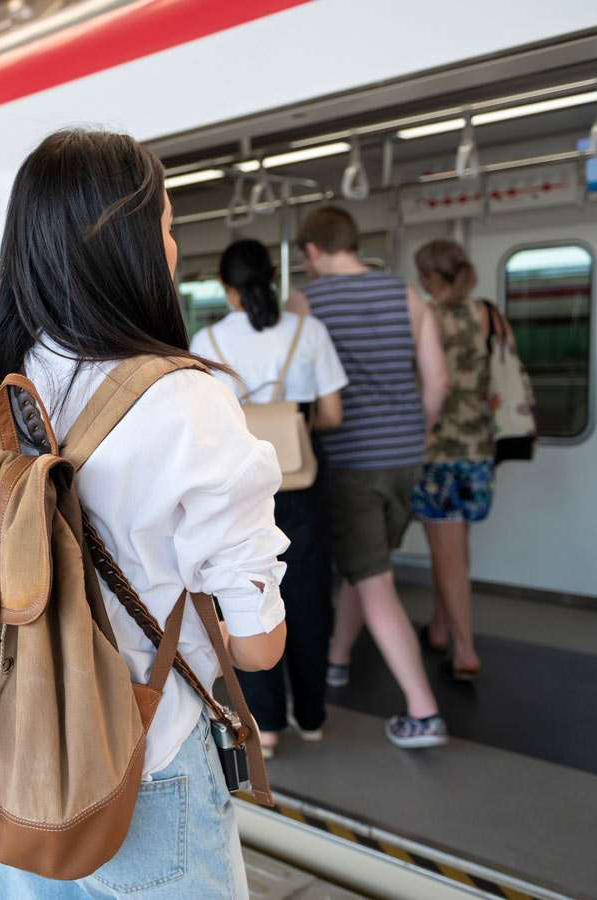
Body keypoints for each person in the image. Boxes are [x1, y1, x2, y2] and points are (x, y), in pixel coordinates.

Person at [0, 130, 288, 899]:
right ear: (130, 244)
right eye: (165, 223)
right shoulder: (186, 398)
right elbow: (258, 648)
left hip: (7, 754)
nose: (171, 243)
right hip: (144, 766)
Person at [286, 206, 450, 748]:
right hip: (406, 458)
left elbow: (295, 387)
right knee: (369, 563)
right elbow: (437, 383)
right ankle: (337, 659)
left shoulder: (306, 302)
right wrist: (414, 433)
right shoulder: (408, 296)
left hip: (350, 461)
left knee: (374, 581)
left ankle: (423, 712)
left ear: (311, 251)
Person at [191, 239, 347, 758]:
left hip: (236, 486)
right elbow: (332, 415)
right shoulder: (310, 332)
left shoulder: (206, 340)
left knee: (245, 593)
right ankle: (313, 715)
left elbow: (203, 426)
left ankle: (267, 722)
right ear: (274, 275)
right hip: (300, 481)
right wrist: (292, 424)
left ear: (226, 289)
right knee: (307, 593)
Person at [410, 239, 509, 680]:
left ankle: (465, 649)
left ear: (431, 276)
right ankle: (439, 624)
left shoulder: (427, 318)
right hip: (480, 450)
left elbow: (426, 383)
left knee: (446, 553)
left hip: (439, 451)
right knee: (457, 545)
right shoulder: (490, 313)